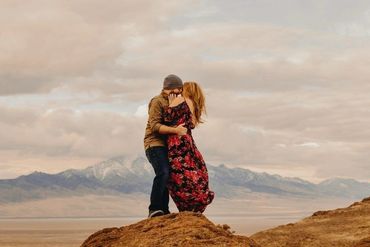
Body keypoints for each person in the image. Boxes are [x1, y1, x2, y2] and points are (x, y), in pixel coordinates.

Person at [163, 81, 215, 213]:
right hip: (188, 141)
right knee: (192, 171)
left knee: (177, 176)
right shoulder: (193, 106)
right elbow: (190, 124)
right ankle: (195, 204)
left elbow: (166, 119)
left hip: (177, 142)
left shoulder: (181, 100)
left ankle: (186, 206)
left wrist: (170, 104)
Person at [144, 74, 188, 218]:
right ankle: (154, 208)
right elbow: (155, 126)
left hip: (168, 145)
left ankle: (164, 209)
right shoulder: (157, 102)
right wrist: (176, 130)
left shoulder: (176, 101)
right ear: (168, 89)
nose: (179, 93)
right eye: (177, 90)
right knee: (163, 172)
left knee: (168, 176)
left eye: (180, 90)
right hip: (154, 143)